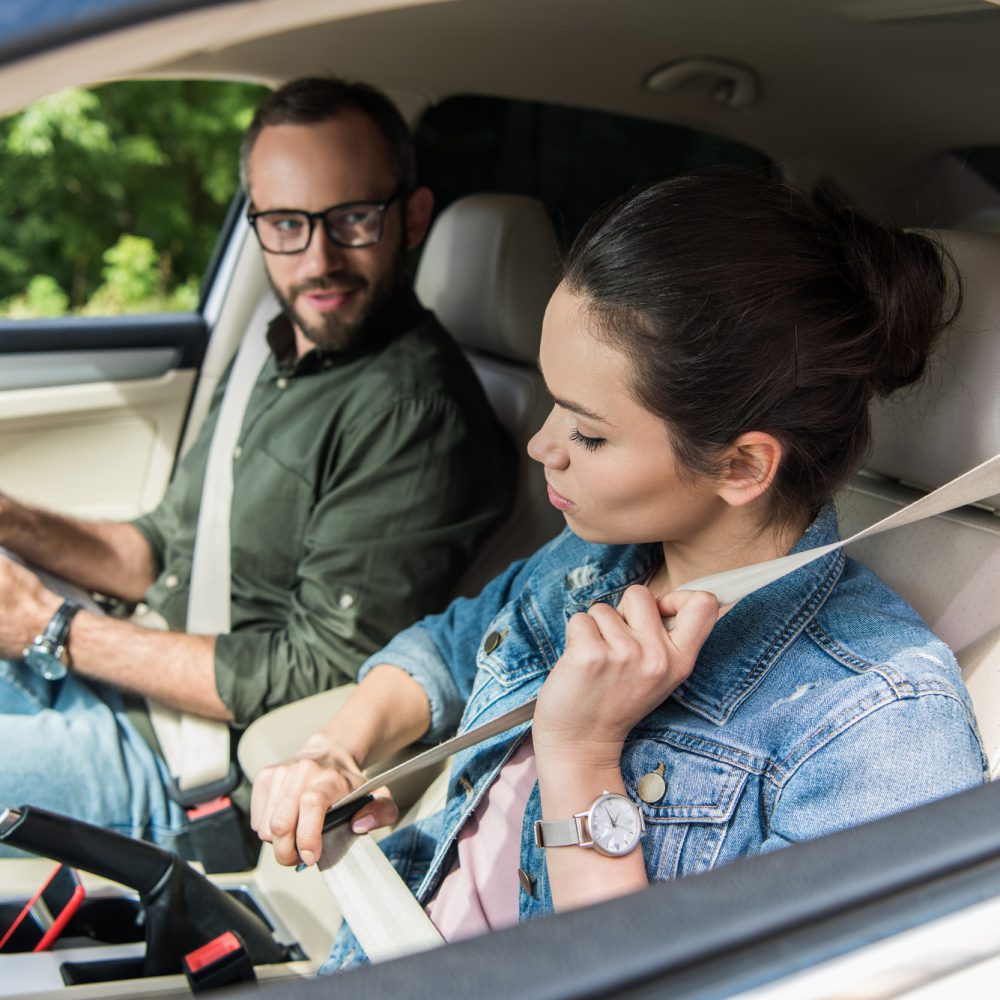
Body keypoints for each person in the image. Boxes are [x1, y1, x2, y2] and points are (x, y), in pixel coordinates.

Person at [251, 170, 988, 970]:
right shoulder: (591, 560)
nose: (543, 445)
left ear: (741, 467)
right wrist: (338, 750)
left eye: (590, 434)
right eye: (554, 404)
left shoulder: (875, 724)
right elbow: (447, 648)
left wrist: (582, 758)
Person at [0, 76, 515, 852]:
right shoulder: (273, 347)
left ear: (411, 217)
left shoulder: (416, 411)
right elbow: (165, 547)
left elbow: (319, 670)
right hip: (116, 676)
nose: (319, 259)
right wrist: (13, 521)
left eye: (351, 218)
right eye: (285, 224)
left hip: (183, 767)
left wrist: (55, 629)